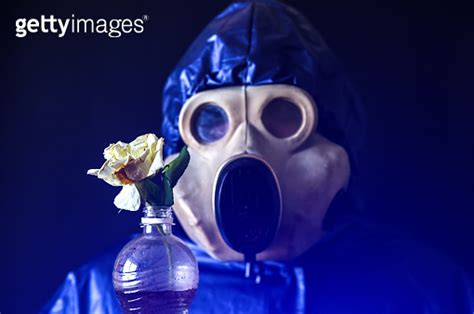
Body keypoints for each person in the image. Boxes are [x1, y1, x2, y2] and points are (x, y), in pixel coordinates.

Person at [43, 1, 474, 313]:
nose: (245, 148)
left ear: (333, 139)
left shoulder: (430, 291)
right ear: (177, 150)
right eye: (210, 124)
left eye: (286, 117)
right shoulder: (104, 295)